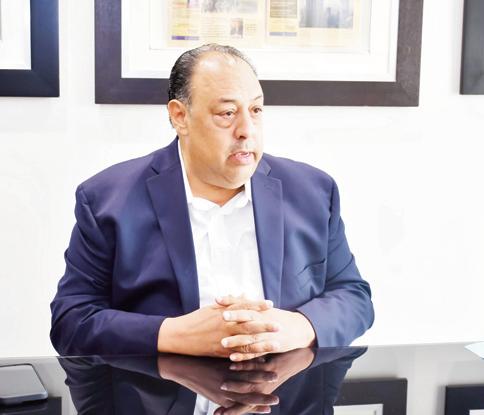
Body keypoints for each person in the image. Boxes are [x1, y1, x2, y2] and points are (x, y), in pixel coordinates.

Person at [50, 44, 374, 362]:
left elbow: (354, 297)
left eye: (256, 110)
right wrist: (174, 335)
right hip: (159, 390)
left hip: (286, 388)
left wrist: (300, 327)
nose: (247, 130)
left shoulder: (312, 191)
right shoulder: (108, 200)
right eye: (227, 113)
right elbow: (71, 321)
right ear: (180, 116)